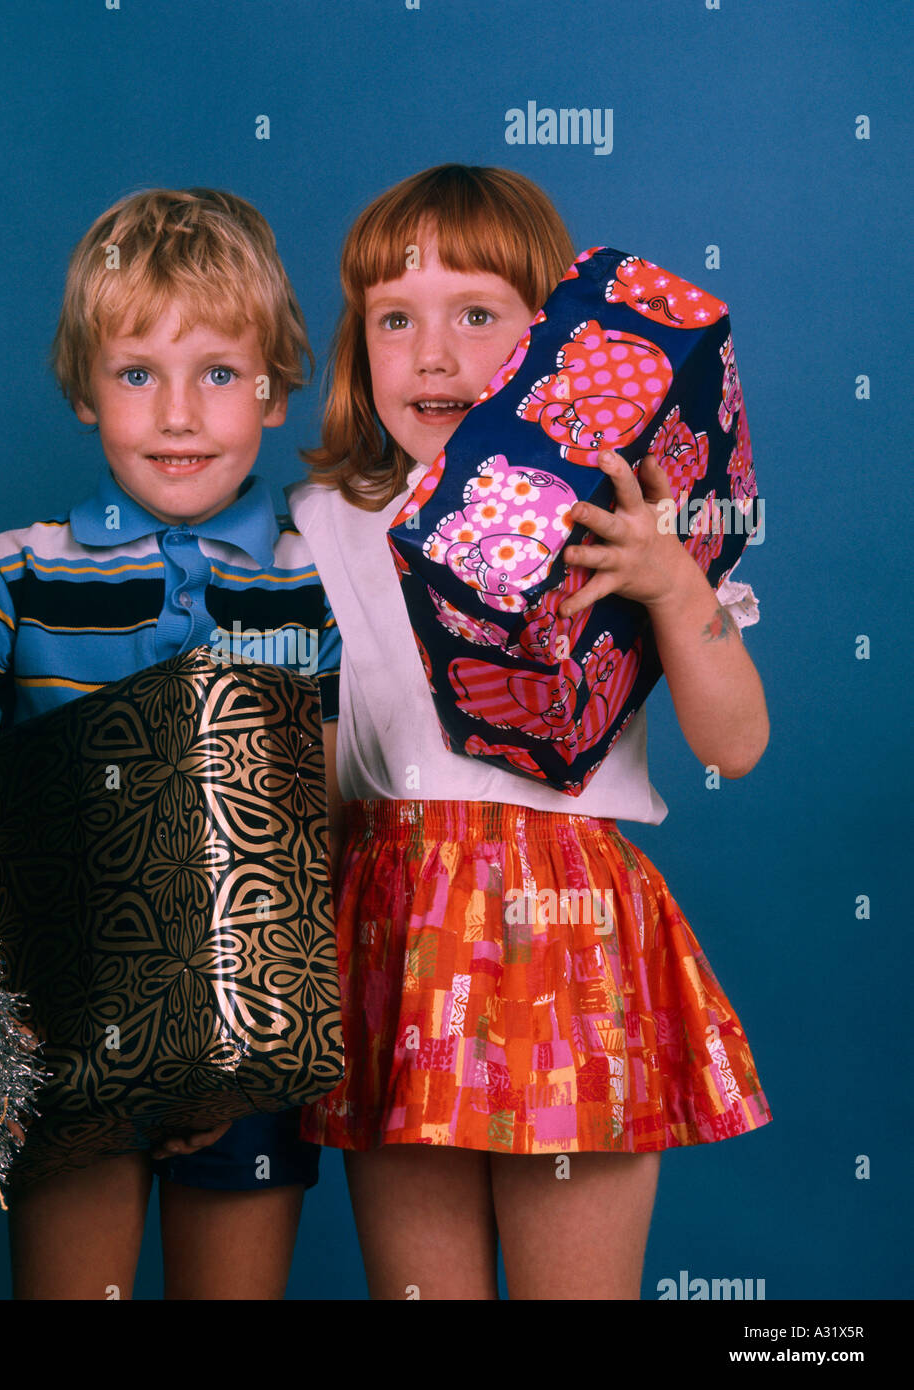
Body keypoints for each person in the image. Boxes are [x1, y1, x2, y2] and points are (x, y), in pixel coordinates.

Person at [288, 164, 771, 1300]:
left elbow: (735, 743)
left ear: (551, 347)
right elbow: (297, 771)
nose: (433, 354)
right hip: (392, 942)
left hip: (569, 938)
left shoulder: (624, 521)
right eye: (395, 320)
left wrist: (669, 582)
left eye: (476, 315)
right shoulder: (318, 528)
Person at [0, 187, 340, 1299]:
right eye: (137, 374)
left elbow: (327, 808)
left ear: (273, 392)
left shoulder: (317, 581)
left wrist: (221, 1052)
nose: (179, 413)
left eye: (218, 373)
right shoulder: (19, 571)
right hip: (59, 1024)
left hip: (254, 1022)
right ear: (84, 388)